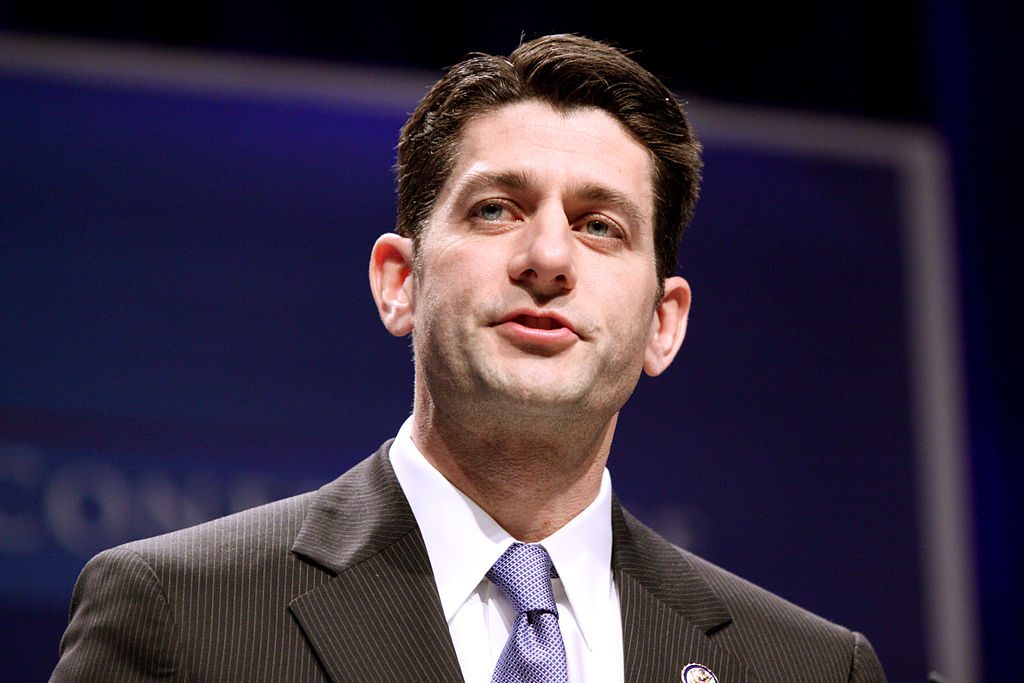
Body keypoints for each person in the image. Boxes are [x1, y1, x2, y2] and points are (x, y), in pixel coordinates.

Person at [51, 34, 887, 682]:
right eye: (496, 209)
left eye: (602, 225)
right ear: (400, 282)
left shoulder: (807, 666)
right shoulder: (181, 614)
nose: (548, 256)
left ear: (664, 323)